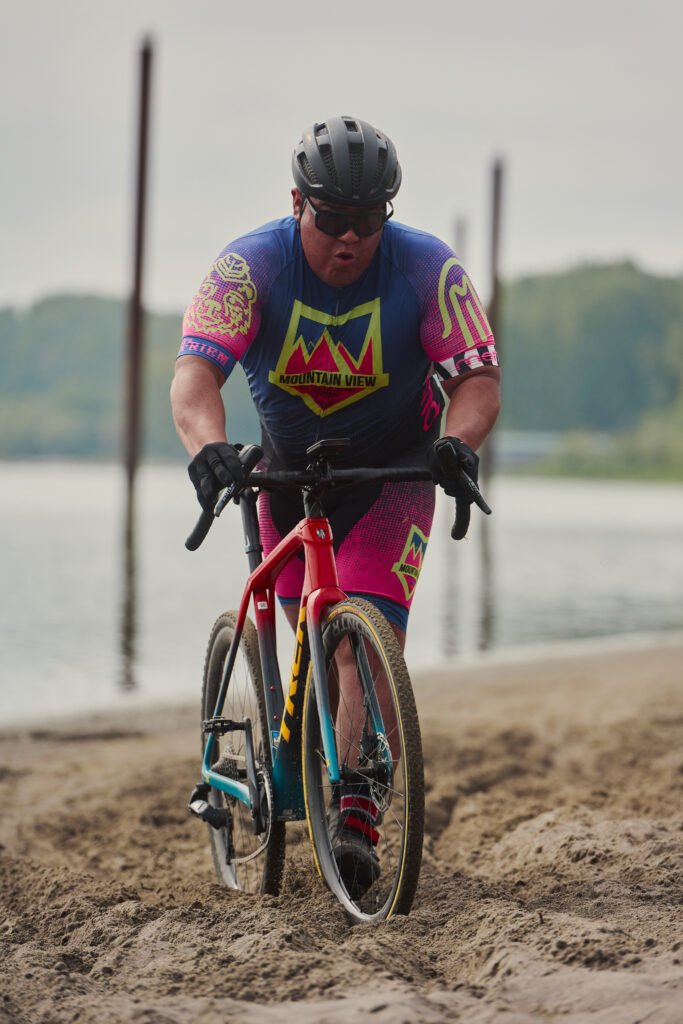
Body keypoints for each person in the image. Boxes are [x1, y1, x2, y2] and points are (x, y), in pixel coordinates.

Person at [171, 115, 500, 895]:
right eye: (332, 219)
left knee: (361, 646)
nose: (350, 238)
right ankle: (278, 767)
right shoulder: (249, 268)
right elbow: (194, 378)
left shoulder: (427, 268)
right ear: (297, 204)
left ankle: (356, 810)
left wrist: (457, 443)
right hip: (284, 482)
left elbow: (476, 380)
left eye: (368, 220)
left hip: (391, 477)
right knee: (316, 654)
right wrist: (208, 448)